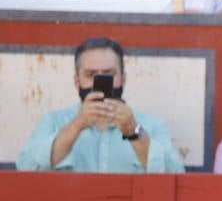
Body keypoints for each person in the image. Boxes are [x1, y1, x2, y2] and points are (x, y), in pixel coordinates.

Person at [17, 36, 185, 173]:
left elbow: (176, 173)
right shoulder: (53, 121)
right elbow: (25, 168)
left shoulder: (151, 125)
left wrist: (134, 130)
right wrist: (76, 125)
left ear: (123, 79)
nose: (99, 82)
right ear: (77, 82)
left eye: (109, 74)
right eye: (91, 75)